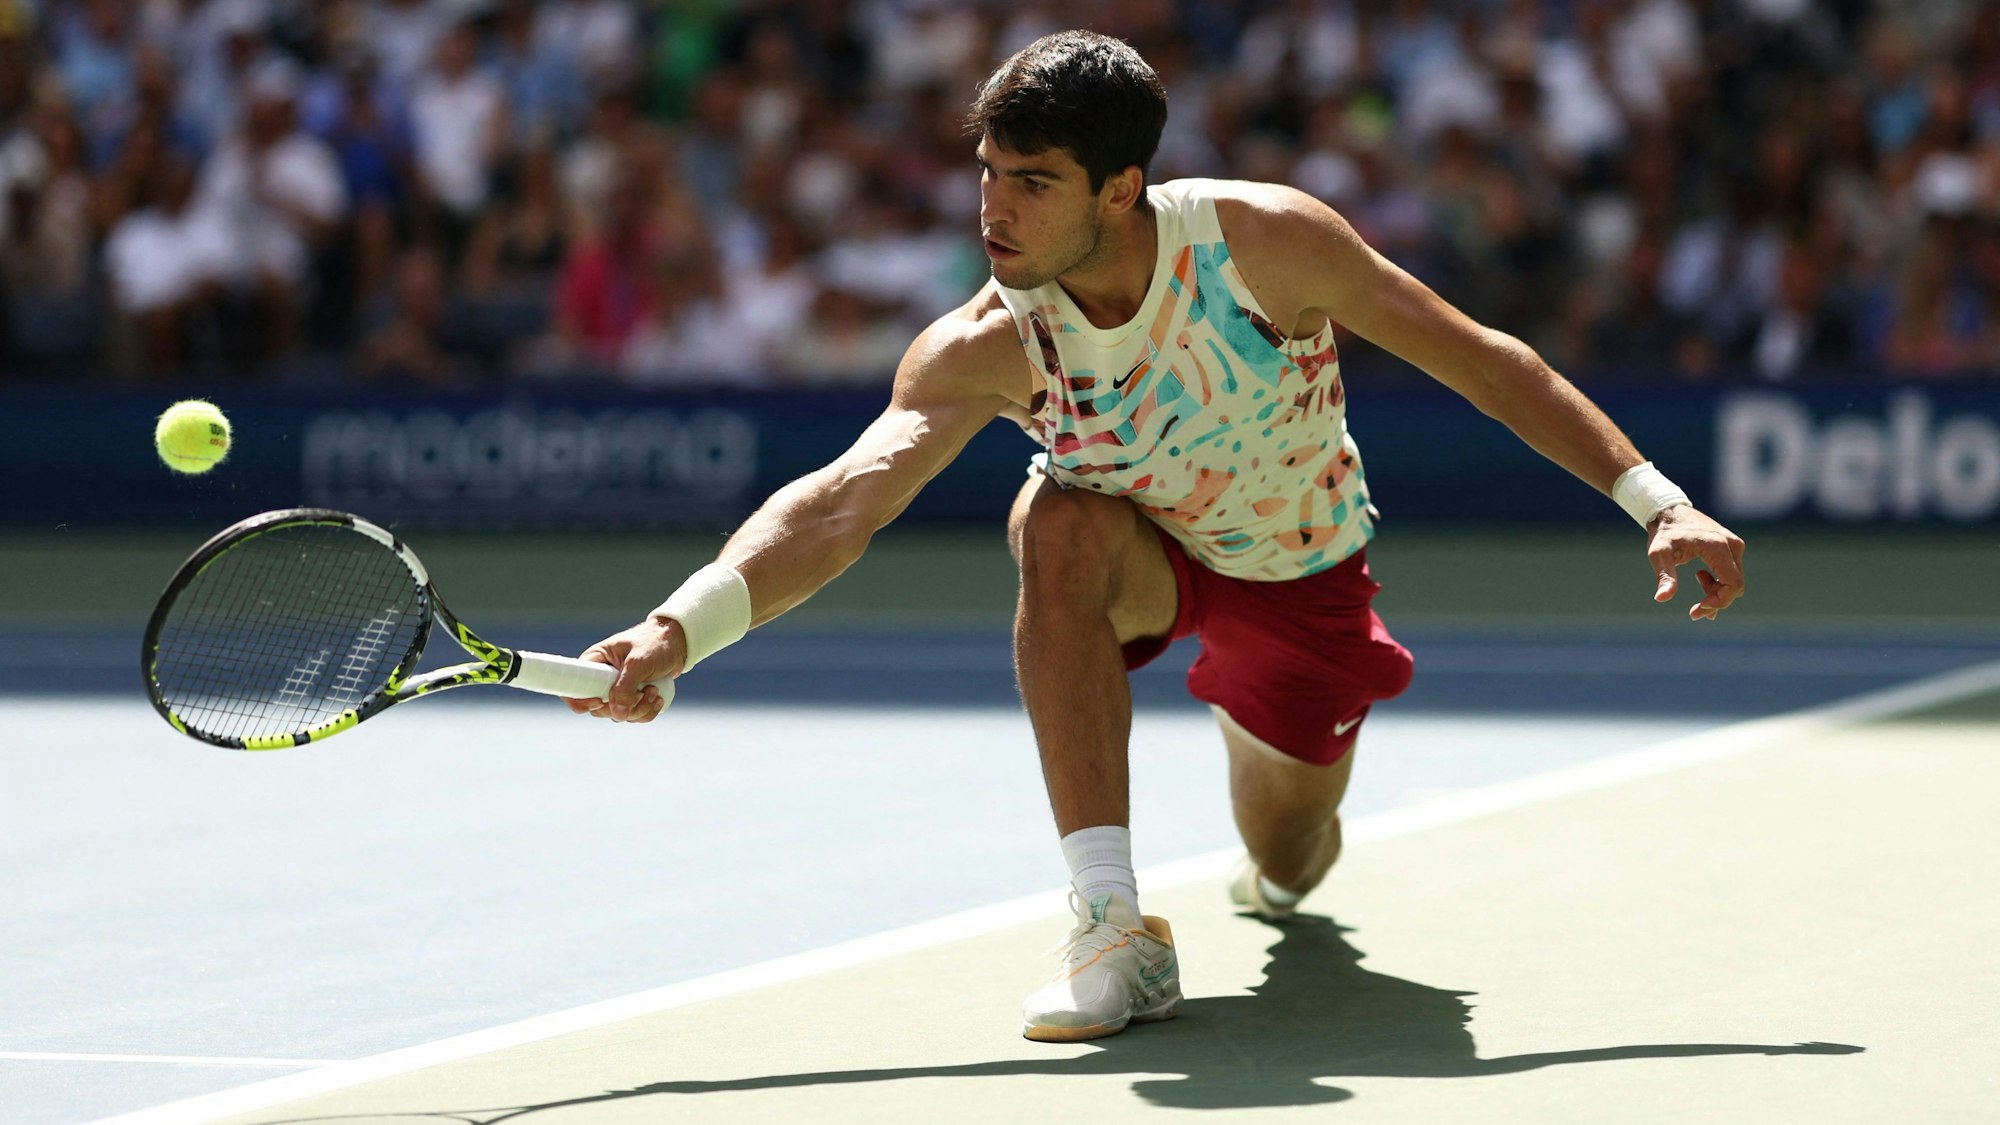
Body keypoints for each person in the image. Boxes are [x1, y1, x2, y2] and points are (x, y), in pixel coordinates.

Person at [564, 31, 1747, 1044]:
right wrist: (679, 628)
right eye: (985, 173)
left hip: (1297, 575)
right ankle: (1112, 923)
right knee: (1054, 519)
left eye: (1030, 181)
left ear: (1120, 188)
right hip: (1131, 550)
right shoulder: (984, 339)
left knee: (1289, 861)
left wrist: (1655, 500)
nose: (992, 208)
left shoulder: (1265, 245)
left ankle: (1252, 739)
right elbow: (840, 499)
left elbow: (1484, 361)